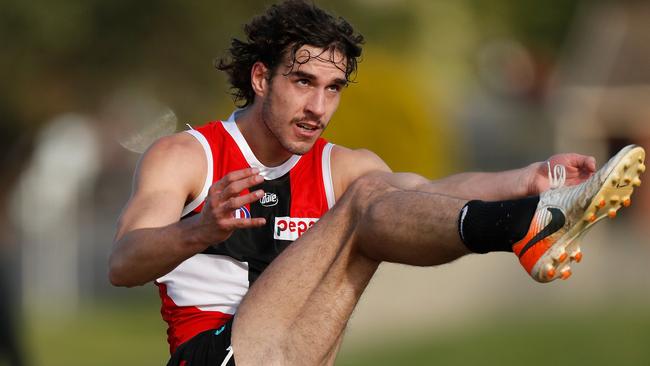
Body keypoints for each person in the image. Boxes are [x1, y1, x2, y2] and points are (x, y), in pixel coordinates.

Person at [109, 1, 646, 365]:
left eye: (334, 88)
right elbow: (123, 263)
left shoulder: (338, 165)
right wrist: (199, 229)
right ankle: (522, 229)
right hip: (216, 356)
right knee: (365, 201)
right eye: (302, 82)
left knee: (382, 198)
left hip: (300, 354)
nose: (318, 107)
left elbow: (428, 196)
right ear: (260, 77)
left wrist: (525, 177)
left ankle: (530, 215)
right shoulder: (187, 155)